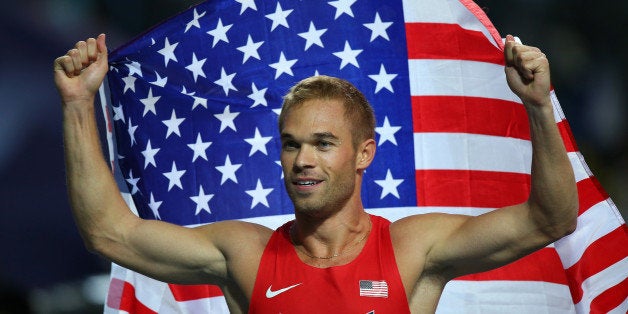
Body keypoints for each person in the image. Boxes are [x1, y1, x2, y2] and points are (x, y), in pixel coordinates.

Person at [53, 33, 578, 313]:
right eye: (291, 144)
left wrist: (538, 106)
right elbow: (109, 232)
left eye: (324, 144)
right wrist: (78, 104)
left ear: (364, 154)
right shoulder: (245, 255)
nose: (302, 160)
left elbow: (551, 219)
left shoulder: (412, 249)